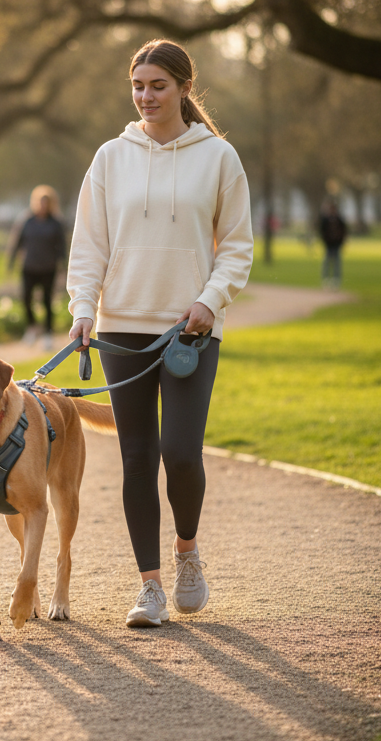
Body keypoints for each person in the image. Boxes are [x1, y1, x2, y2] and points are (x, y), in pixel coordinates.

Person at [66, 39, 253, 628]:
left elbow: (238, 247)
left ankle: (186, 552)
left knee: (181, 453)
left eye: (158, 86)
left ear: (184, 88)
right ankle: (149, 587)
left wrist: (208, 302)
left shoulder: (218, 157)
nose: (146, 96)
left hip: (190, 330)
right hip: (121, 325)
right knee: (137, 457)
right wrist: (83, 309)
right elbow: (89, 244)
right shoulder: (110, 158)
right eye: (138, 86)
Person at [7, 185, 66, 351]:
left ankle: (48, 334)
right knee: (26, 298)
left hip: (48, 268)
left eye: (46, 203)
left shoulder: (56, 224)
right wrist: (11, 261)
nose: (43, 206)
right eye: (40, 202)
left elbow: (62, 247)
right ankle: (32, 327)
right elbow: (18, 242)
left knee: (47, 301)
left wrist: (64, 266)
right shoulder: (27, 221)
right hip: (29, 267)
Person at [319, 199, 347, 289]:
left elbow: (344, 231)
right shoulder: (325, 220)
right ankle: (326, 279)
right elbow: (322, 231)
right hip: (328, 244)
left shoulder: (339, 220)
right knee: (327, 262)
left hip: (336, 244)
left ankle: (336, 280)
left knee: (336, 263)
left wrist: (341, 241)